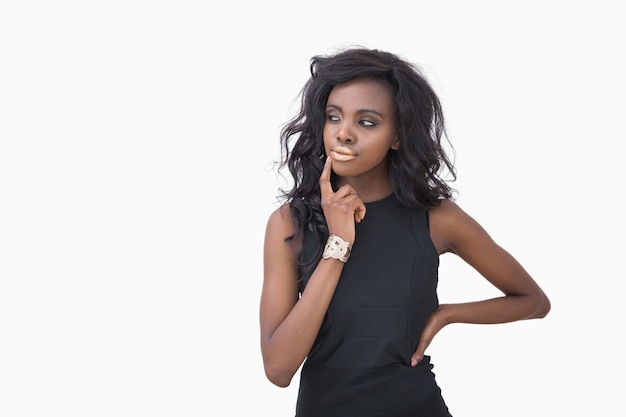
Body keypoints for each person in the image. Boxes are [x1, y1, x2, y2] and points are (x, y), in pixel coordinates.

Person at [260, 46, 550, 417]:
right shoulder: (290, 223)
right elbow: (278, 369)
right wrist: (339, 244)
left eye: (367, 122)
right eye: (334, 117)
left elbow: (533, 301)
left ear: (397, 136)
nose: (344, 134)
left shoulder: (437, 218)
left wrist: (445, 314)